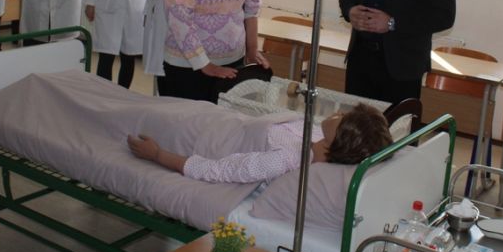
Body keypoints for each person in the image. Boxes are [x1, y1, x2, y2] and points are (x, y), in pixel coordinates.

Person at [128, 103, 392, 183]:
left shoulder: (286, 159)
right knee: (144, 105)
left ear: (341, 138)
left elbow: (219, 170)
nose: (339, 112)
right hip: (218, 118)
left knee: (134, 115)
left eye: (344, 117)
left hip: (200, 135)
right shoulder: (317, 136)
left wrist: (158, 155)